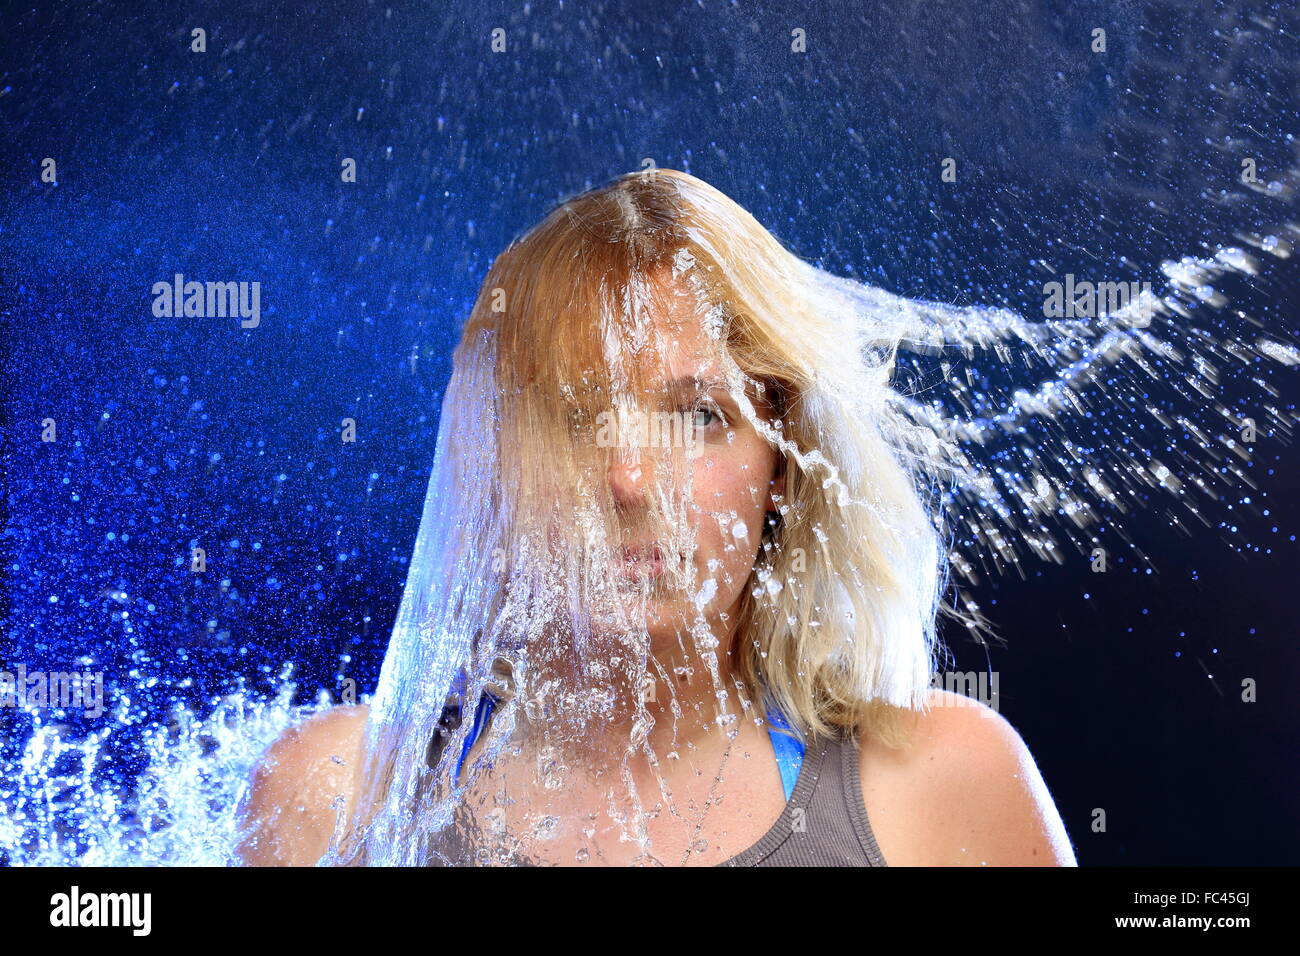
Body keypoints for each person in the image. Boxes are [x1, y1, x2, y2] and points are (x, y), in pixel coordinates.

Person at [237, 169, 1077, 867]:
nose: (631, 480)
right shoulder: (341, 799)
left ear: (783, 461)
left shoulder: (940, 787)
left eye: (697, 417)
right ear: (499, 466)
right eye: (576, 418)